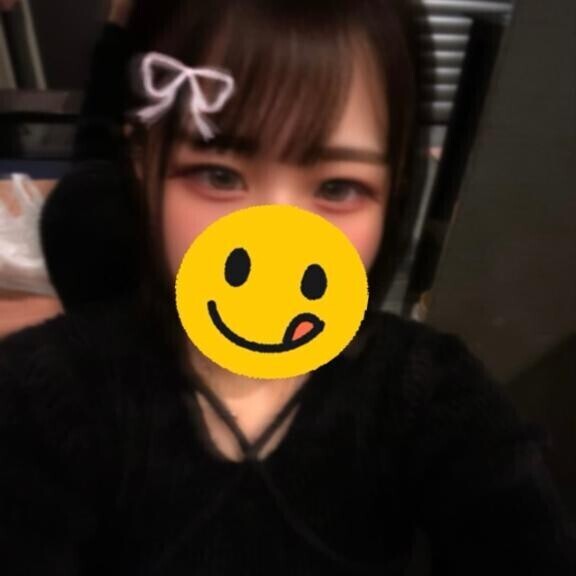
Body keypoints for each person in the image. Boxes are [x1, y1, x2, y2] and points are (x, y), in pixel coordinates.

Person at [1, 1, 575, 575]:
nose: (276, 250)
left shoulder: (433, 398)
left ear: (395, 193)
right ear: (141, 162)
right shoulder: (42, 395)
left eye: (337, 187)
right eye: (219, 175)